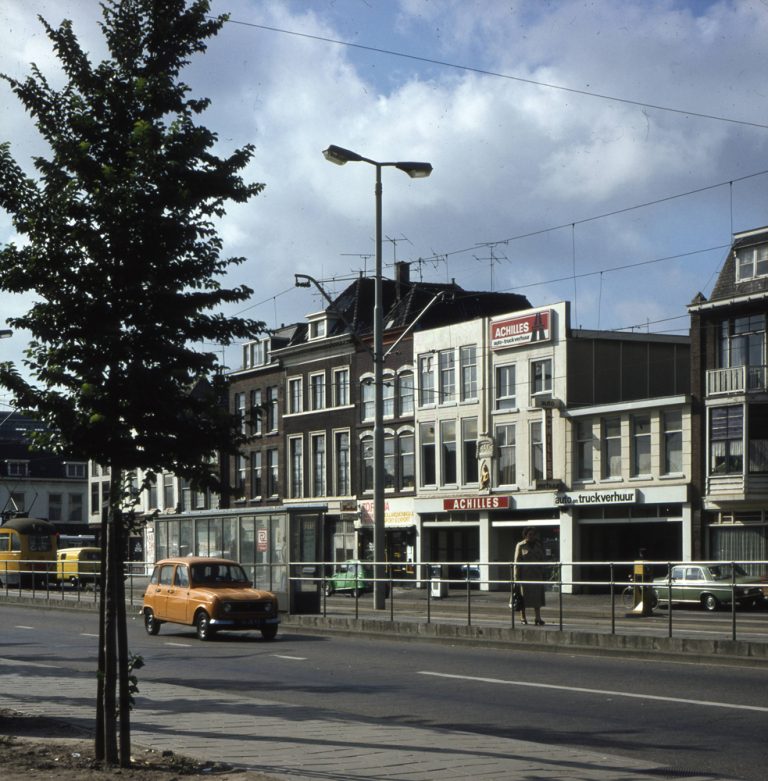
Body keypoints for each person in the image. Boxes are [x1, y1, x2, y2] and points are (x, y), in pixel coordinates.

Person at [513, 528, 547, 625]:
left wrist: (543, 572)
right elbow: (517, 562)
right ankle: (523, 617)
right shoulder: (520, 545)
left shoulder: (538, 545)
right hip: (525, 575)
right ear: (525, 535)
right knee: (523, 597)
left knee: (537, 598)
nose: (532, 536)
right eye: (530, 534)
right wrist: (516, 578)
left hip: (537, 575)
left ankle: (538, 618)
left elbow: (542, 559)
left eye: (533, 534)